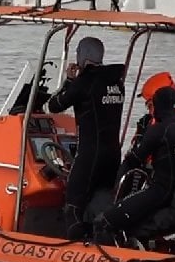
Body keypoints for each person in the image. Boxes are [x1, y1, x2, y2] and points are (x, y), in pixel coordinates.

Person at [96, 85, 175, 240]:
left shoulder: (159, 129)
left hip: (159, 193)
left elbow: (134, 160)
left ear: (158, 106)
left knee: (104, 221)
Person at [46, 37, 126, 239]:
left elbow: (54, 106)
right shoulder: (117, 83)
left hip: (90, 154)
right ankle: (101, 240)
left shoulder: (84, 82)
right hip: (113, 155)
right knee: (100, 202)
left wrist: (69, 81)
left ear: (82, 56)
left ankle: (72, 248)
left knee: (73, 203)